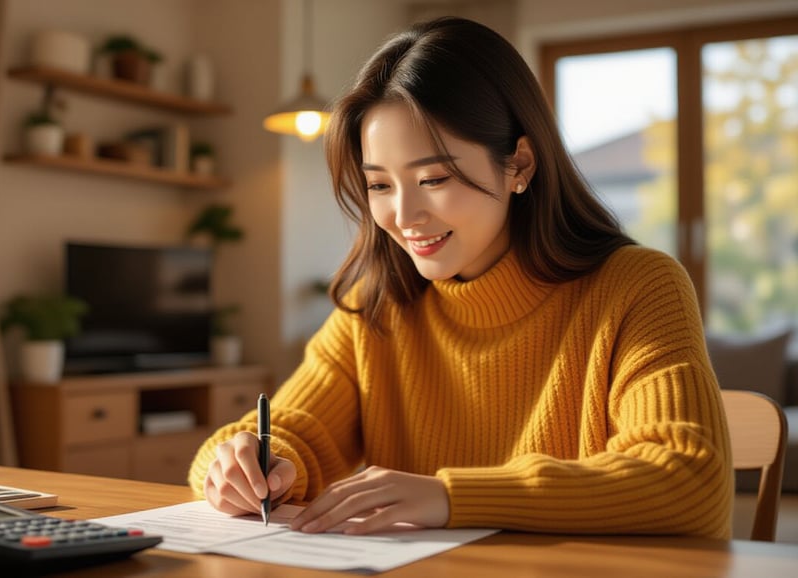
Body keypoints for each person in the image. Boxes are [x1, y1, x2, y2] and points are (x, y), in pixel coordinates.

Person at [188, 17, 732, 539]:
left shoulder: (638, 287)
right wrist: (247, 465)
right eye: (379, 185)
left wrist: (452, 498)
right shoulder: (377, 306)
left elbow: (689, 479)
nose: (404, 215)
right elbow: (288, 429)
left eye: (433, 178)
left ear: (519, 164)